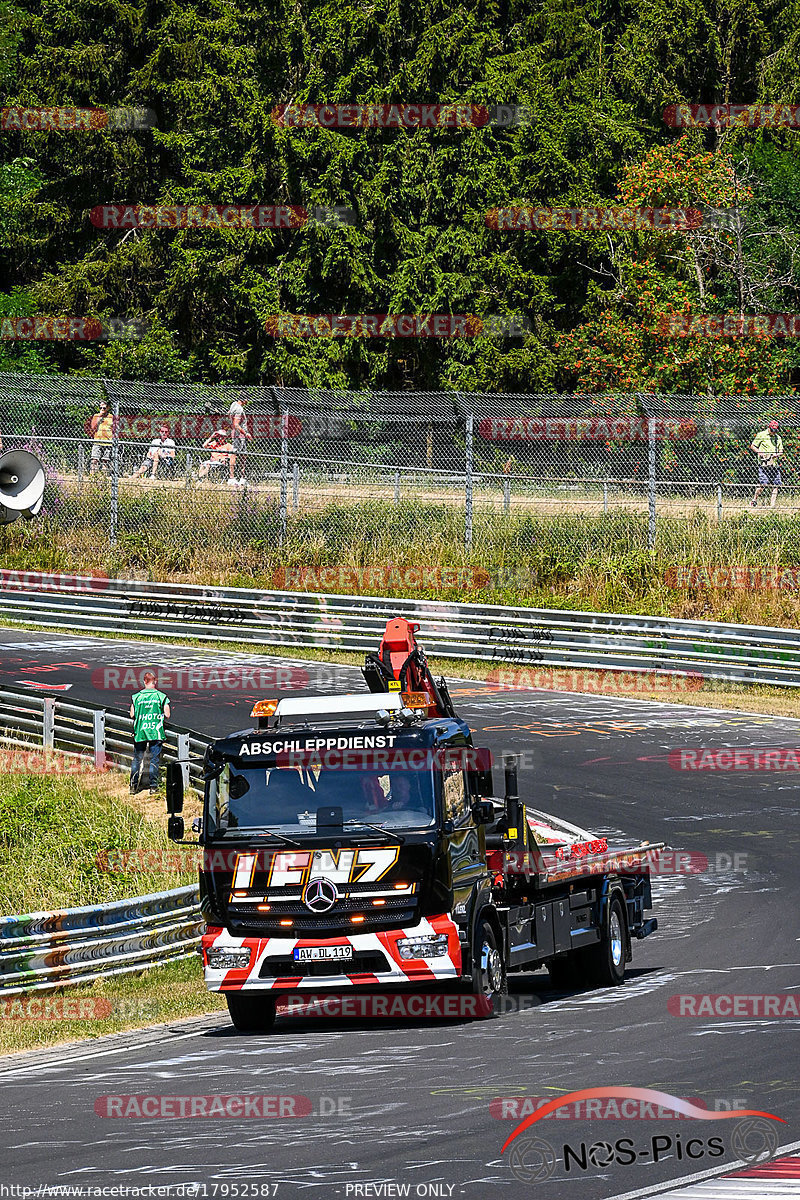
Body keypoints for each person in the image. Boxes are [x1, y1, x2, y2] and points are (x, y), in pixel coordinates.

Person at [129, 670, 171, 794]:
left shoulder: (136, 696)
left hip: (140, 731)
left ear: (144, 682)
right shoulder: (161, 696)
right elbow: (167, 714)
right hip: (155, 731)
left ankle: (133, 786)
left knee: (137, 759)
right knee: (154, 760)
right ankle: (153, 787)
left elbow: (132, 714)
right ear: (155, 682)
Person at [751, 420, 784, 508]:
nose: (774, 432)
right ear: (769, 428)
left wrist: (775, 455)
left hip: (774, 464)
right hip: (764, 464)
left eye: (775, 430)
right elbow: (753, 446)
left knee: (776, 485)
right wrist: (760, 452)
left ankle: (772, 506)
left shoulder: (778, 438)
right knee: (763, 484)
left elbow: (781, 451)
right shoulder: (761, 435)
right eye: (772, 430)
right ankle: (754, 500)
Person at [228, 394, 251, 487]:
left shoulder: (233, 404)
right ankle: (234, 478)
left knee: (241, 455)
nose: (247, 402)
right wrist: (246, 434)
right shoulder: (239, 409)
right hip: (239, 435)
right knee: (238, 455)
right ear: (244, 399)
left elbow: (229, 413)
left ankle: (239, 478)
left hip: (235, 433)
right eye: (247, 399)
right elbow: (236, 424)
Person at [89, 401, 114, 473]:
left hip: (108, 442)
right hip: (97, 440)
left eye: (104, 408)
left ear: (108, 408)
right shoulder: (96, 416)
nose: (102, 409)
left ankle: (103, 478)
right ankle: (93, 477)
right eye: (101, 407)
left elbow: (114, 429)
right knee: (94, 460)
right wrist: (100, 416)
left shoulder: (111, 417)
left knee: (105, 461)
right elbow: (93, 427)